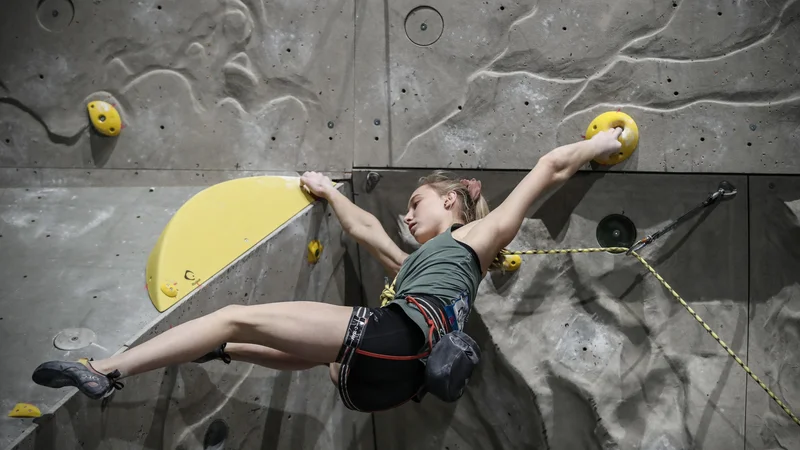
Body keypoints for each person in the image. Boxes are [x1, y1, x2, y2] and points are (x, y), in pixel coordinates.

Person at [31, 128, 624, 412]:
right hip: (390, 381)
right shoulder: (421, 266)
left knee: (235, 314)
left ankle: (104, 369)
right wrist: (326, 191)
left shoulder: (478, 236)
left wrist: (609, 139)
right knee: (302, 346)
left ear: (451, 202)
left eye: (416, 202)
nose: (406, 213)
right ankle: (220, 352)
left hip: (397, 341)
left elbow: (549, 166)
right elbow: (364, 229)